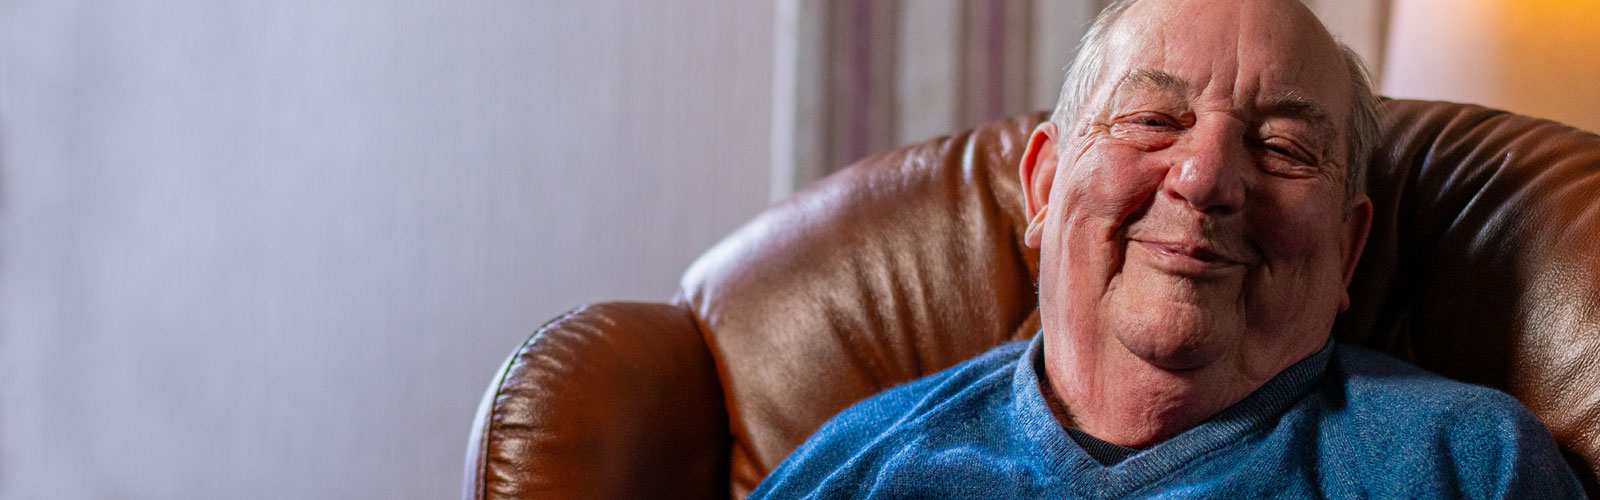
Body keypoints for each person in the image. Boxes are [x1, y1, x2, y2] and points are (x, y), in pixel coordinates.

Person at [748, 0, 1586, 497]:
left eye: (1286, 147)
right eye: (1153, 121)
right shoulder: (857, 462)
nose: (1207, 175)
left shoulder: (1466, 464)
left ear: (1347, 249)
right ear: (1042, 188)